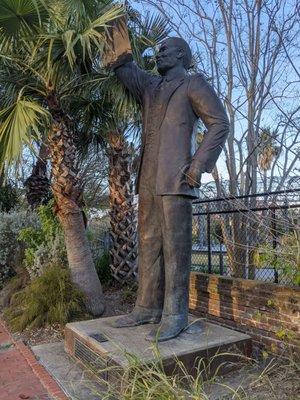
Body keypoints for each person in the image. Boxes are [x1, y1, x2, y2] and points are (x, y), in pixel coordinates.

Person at [103, 17, 229, 341]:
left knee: (176, 249)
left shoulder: (193, 84)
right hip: (148, 178)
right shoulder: (150, 86)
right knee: (147, 243)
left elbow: (220, 124)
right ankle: (146, 307)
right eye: (157, 51)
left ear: (181, 57)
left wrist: (198, 165)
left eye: (165, 50)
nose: (158, 54)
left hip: (177, 179)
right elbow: (124, 69)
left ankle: (175, 314)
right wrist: (112, 30)